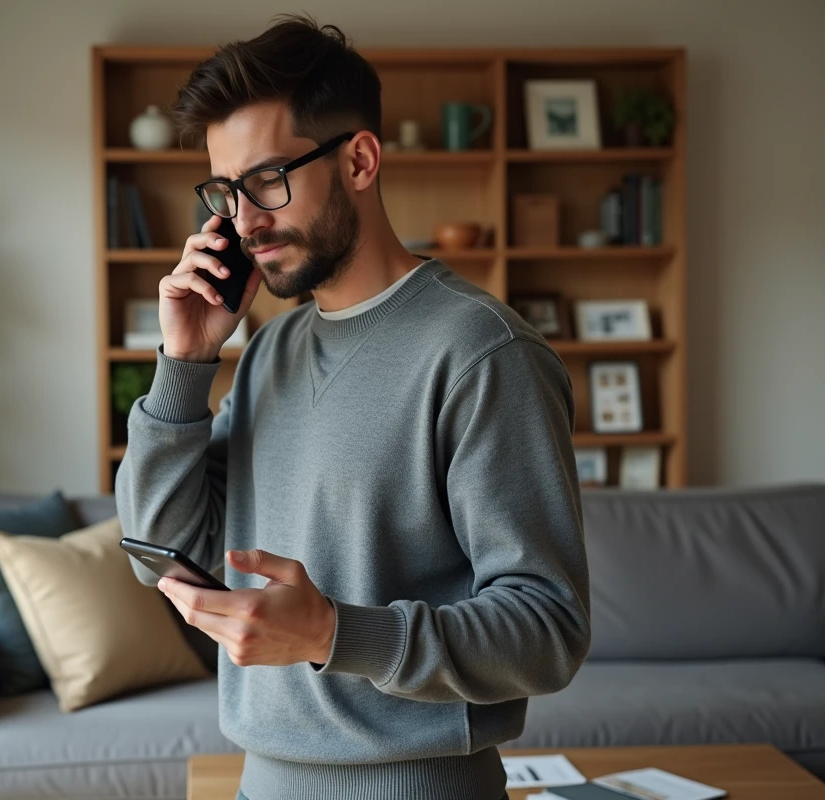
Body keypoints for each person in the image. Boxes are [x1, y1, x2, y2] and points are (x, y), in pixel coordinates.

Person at [114, 13, 591, 800]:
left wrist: (336, 633)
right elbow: (158, 549)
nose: (243, 220)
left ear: (361, 160)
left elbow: (547, 631)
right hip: (262, 784)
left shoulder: (480, 353)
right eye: (226, 192)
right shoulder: (269, 349)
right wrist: (186, 362)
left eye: (268, 180)